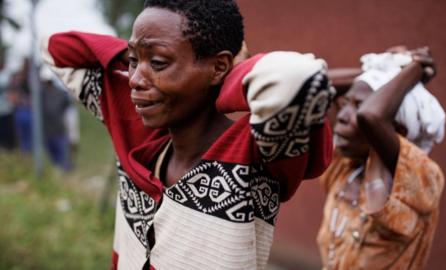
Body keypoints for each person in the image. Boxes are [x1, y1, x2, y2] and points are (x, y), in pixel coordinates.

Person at [41, 0, 335, 269]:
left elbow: (299, 79)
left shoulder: (257, 154)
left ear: (220, 66)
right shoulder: (137, 133)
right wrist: (142, 53)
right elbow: (55, 50)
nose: (134, 80)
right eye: (133, 61)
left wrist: (228, 82)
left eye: (158, 63)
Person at [316, 48, 446, 270]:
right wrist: (386, 67)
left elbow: (372, 116)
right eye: (345, 103)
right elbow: (317, 86)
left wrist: (415, 67)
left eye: (358, 106)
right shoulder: (346, 168)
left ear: (396, 129)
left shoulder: (421, 179)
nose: (343, 116)